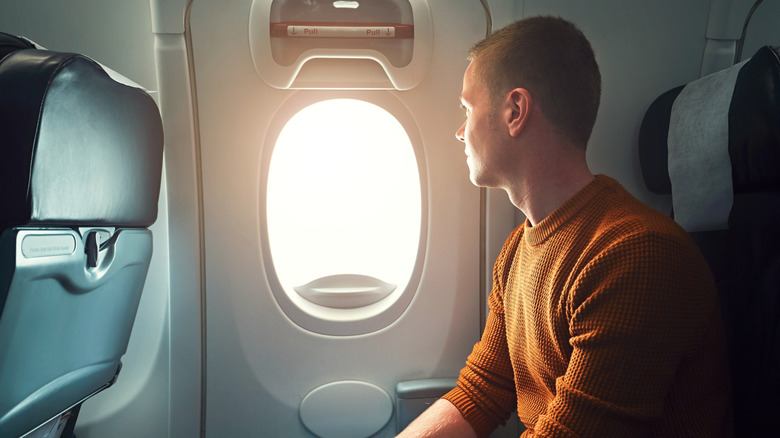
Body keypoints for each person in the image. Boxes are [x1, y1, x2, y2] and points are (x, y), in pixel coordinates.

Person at [397, 16, 733, 438]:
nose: (460, 131)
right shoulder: (519, 249)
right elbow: (481, 391)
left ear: (515, 111)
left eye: (467, 108)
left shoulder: (637, 255)